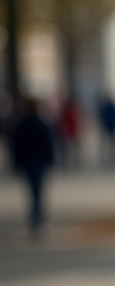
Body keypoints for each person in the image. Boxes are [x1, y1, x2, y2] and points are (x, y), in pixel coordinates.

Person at [9, 97, 55, 237]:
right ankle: (37, 220)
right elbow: (47, 143)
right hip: (38, 162)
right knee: (38, 192)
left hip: (28, 162)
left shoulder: (22, 124)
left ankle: (35, 220)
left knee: (32, 192)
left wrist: (16, 163)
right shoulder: (40, 123)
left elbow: (16, 146)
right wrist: (50, 160)